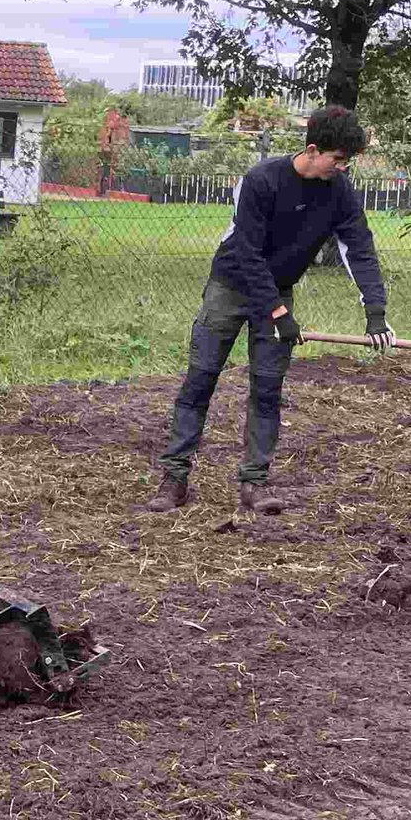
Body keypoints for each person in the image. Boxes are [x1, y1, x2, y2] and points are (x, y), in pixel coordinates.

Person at [148, 105, 395, 515]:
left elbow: (360, 249)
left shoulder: (340, 193)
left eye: (347, 161)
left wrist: (376, 312)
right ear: (313, 150)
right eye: (337, 159)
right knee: (200, 380)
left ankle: (255, 484)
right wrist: (278, 313)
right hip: (230, 286)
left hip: (278, 292)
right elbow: (247, 253)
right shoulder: (262, 181)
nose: (342, 167)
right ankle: (174, 477)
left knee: (267, 389)